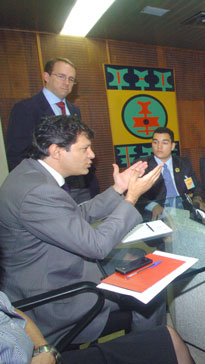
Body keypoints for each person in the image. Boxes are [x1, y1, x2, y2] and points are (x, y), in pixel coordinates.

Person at [0, 115, 165, 345]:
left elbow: (75, 215)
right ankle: (143, 350)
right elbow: (97, 245)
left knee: (138, 258)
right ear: (57, 150)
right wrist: (131, 198)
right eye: (85, 148)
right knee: (151, 289)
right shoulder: (38, 191)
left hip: (50, 273)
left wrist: (119, 188)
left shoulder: (31, 174)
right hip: (56, 300)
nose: (92, 155)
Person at [0, 291, 195, 364]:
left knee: (168, 338)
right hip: (63, 296)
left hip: (41, 354)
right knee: (148, 293)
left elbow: (13, 312)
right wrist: (130, 200)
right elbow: (95, 244)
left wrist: (44, 348)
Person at [6, 57, 98, 203]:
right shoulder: (26, 109)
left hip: (80, 184)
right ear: (46, 76)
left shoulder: (74, 110)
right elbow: (16, 154)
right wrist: (35, 186)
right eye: (61, 76)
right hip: (47, 187)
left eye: (71, 79)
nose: (66, 83)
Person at [137, 127, 205, 219]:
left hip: (185, 211)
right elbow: (134, 194)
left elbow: (196, 187)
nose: (159, 146)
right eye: (155, 142)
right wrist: (153, 206)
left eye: (164, 143)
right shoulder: (142, 165)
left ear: (172, 146)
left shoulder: (183, 163)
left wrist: (197, 199)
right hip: (157, 214)